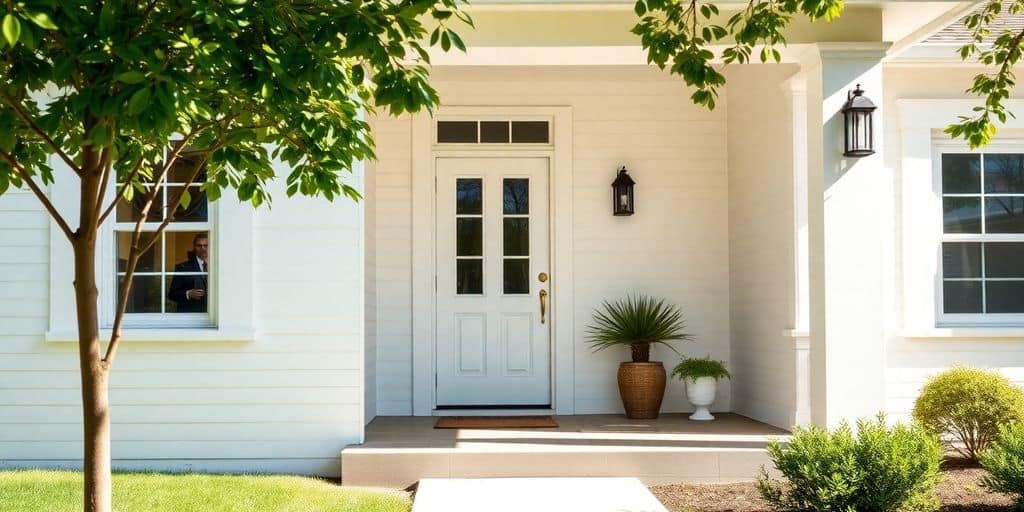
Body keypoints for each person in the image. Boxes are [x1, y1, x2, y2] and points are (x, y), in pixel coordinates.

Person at [168, 233, 209, 313]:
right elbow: (172, 294)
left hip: (214, 315)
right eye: (199, 245)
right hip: (190, 315)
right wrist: (188, 293)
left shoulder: (218, 266)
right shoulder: (183, 267)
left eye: (206, 245)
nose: (203, 248)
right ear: (194, 247)